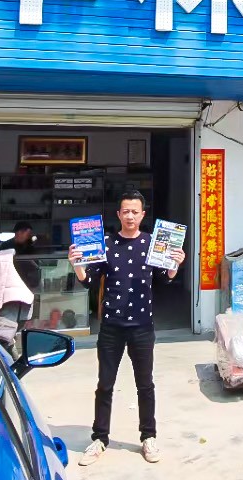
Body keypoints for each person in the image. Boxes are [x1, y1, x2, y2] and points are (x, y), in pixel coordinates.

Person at [70, 190, 184, 465]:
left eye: (135, 211)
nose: (130, 216)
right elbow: (89, 281)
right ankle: (99, 438)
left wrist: (174, 266)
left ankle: (148, 437)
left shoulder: (152, 244)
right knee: (105, 384)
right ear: (118, 215)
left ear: (143, 214)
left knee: (145, 384)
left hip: (142, 326)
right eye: (126, 211)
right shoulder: (106, 244)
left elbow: (165, 279)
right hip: (112, 326)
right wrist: (78, 265)